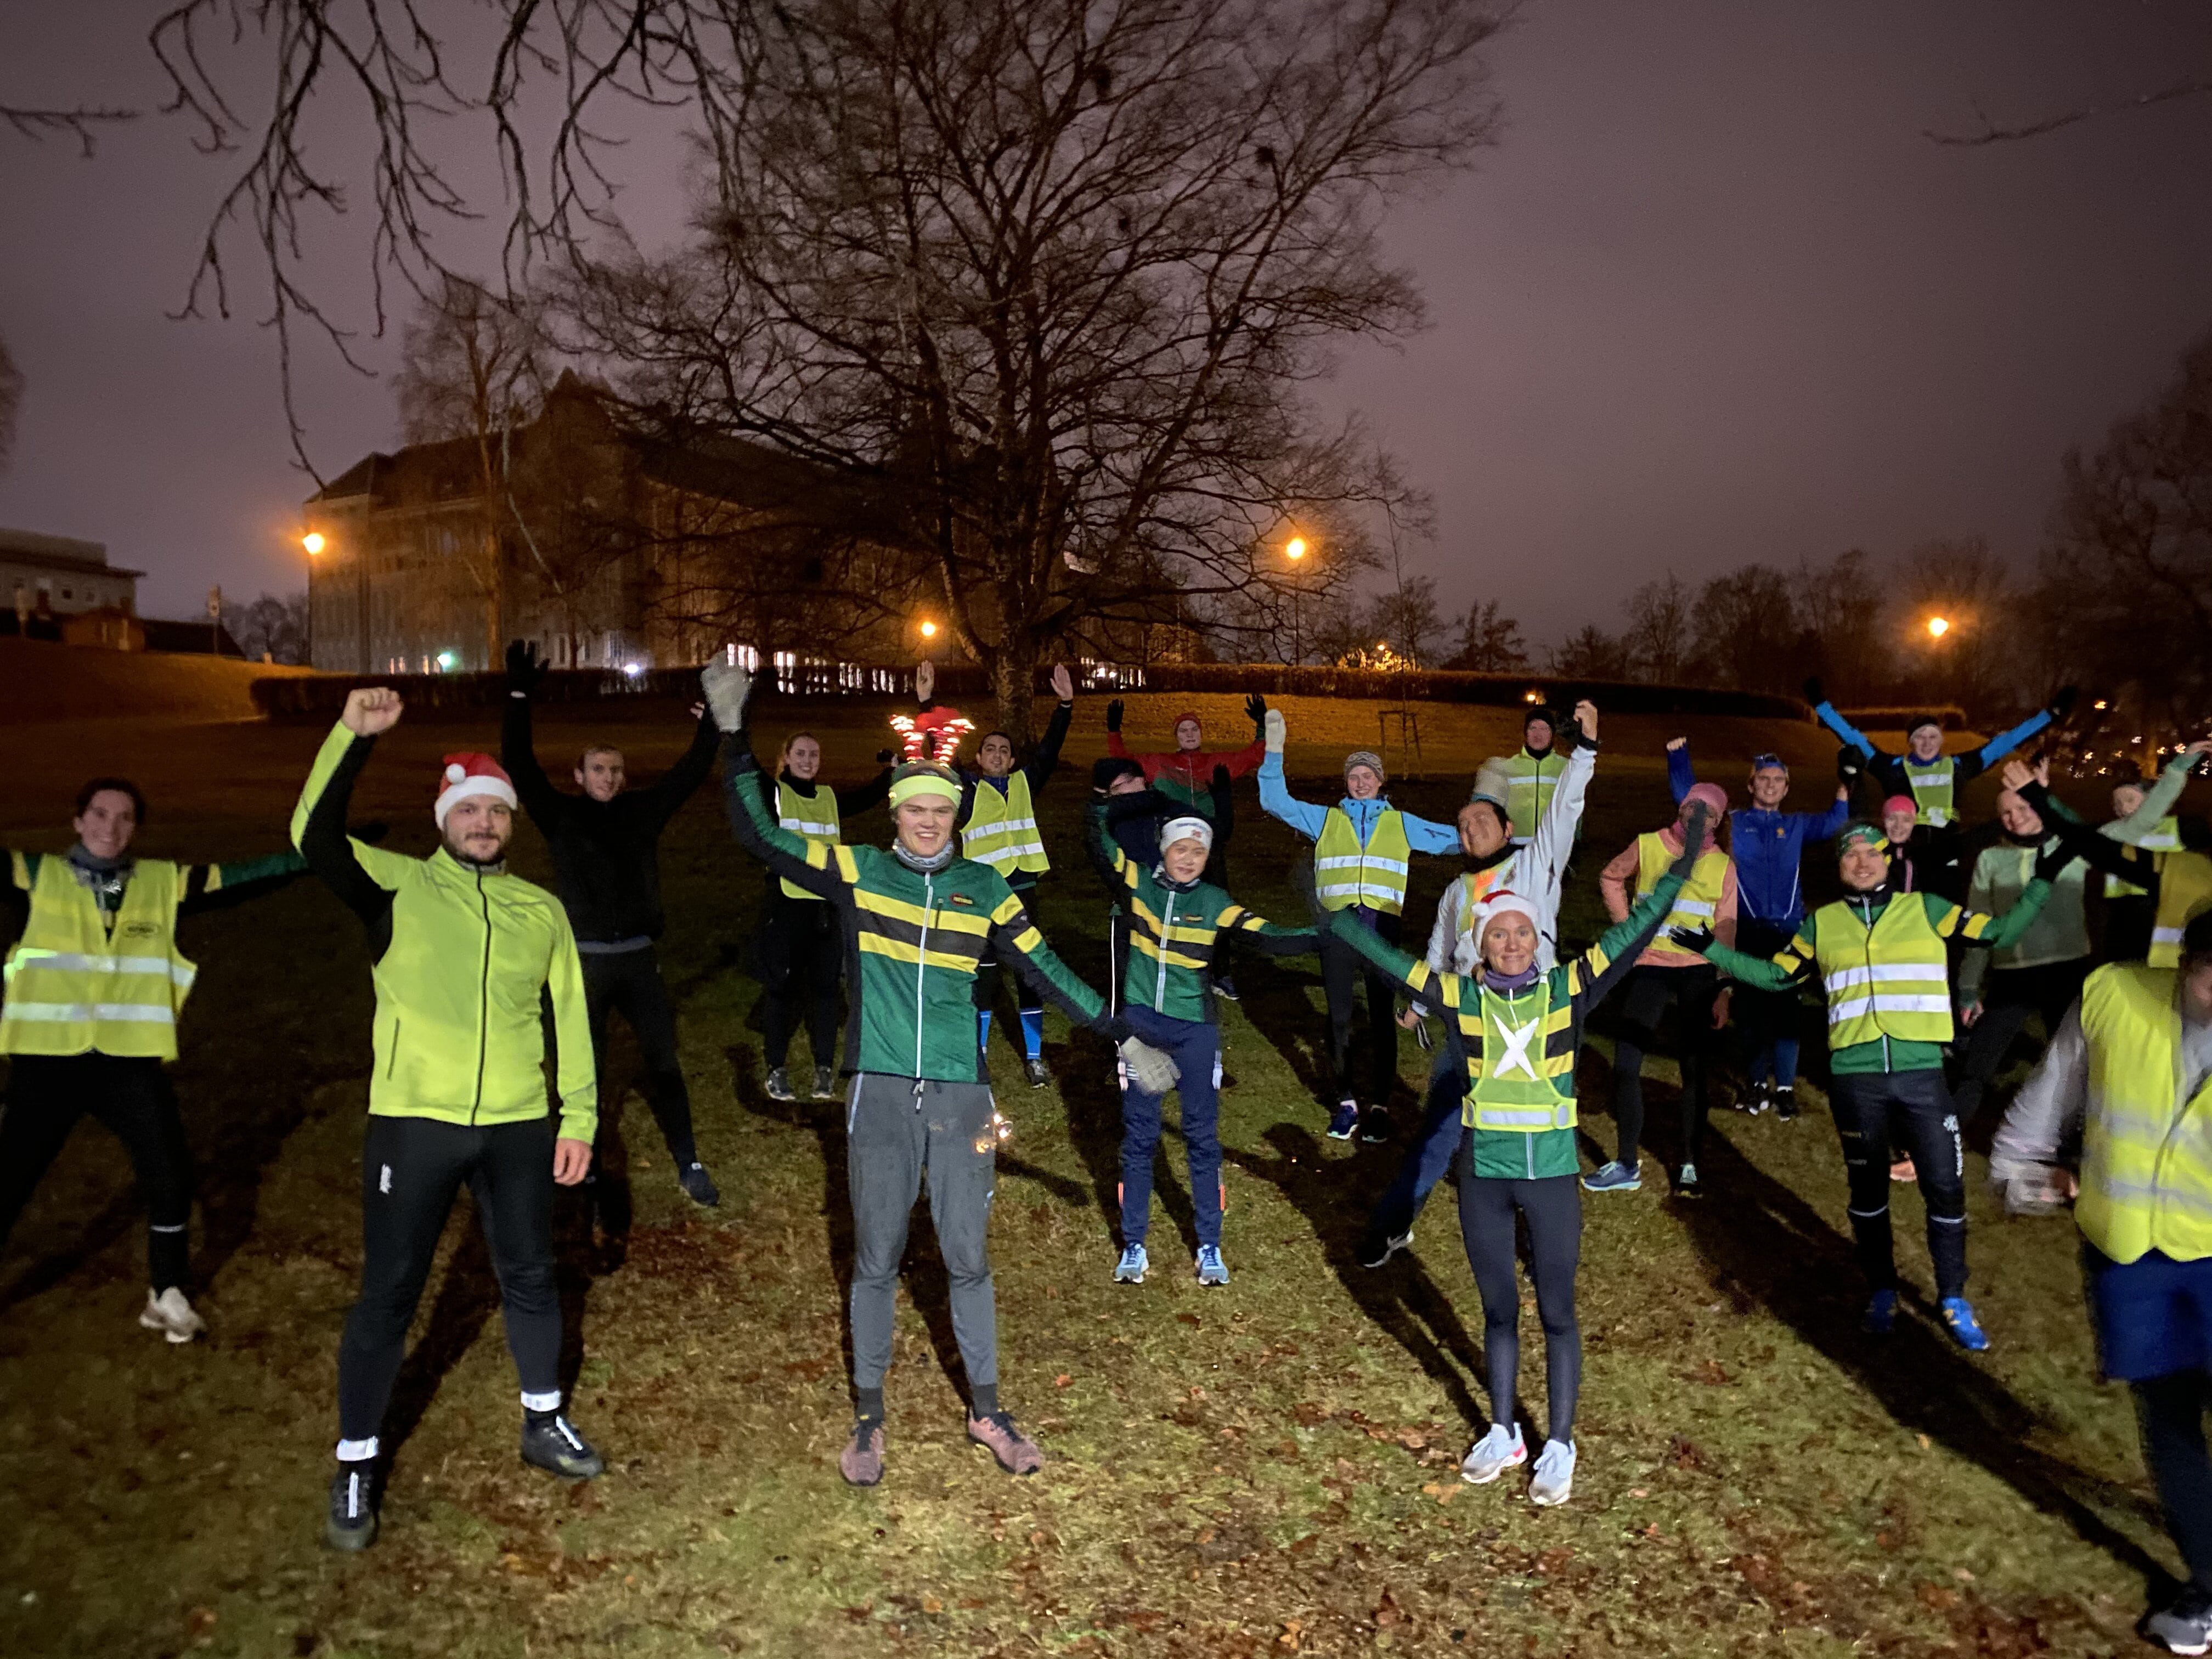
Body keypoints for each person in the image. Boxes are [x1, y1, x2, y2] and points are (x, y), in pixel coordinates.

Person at [710, 661, 1175, 1487]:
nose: (929, 822)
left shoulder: (985, 887)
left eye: (941, 810)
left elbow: (1044, 970)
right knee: (878, 1257)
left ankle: (987, 1409)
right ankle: (869, 1418)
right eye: (916, 809)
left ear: (957, 815)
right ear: (897, 813)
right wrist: (732, 736)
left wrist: (1118, 1036)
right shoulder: (858, 871)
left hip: (962, 1092)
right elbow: (761, 836)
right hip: (880, 1088)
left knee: (967, 1256)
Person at [1318, 802, 1716, 1508]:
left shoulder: (1570, 989)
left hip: (1554, 1181)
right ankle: (1505, 1431)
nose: (1509, 942)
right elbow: (1391, 962)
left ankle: (1559, 1442)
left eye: (1521, 932)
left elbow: (1636, 929)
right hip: (1485, 1181)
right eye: (1497, 933)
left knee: (1557, 1312)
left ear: (1538, 939)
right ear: (1479, 944)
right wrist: (1338, 917)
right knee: (1499, 1310)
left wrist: (1683, 866)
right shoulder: (1458, 999)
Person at [296, 687, 605, 1552]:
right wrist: (350, 739)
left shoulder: (538, 911)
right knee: (391, 1294)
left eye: (495, 812)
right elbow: (312, 838)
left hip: (517, 1125)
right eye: (467, 809)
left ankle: (543, 1422)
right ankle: (357, 1459)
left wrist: (575, 1119)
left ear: (510, 824)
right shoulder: (394, 886)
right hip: (414, 1123)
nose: (482, 823)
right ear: (443, 819)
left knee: (533, 1275)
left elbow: (571, 1020)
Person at [1674, 821, 2068, 1349]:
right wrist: (1714, 951)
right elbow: (1775, 977)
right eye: (1849, 856)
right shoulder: (1822, 924)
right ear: (1838, 867)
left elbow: (1999, 934)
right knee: (1866, 1194)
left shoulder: (1925, 908)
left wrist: (2040, 882)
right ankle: (1881, 1289)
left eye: (1871, 853)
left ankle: (1952, 1297)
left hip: (1923, 1076)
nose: (1862, 862)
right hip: (1856, 1080)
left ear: (1889, 858)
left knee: (1945, 1188)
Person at [1, 778, 306, 1344]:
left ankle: (166, 1294)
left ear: (136, 827)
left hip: (127, 1063)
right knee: (11, 1181)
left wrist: (320, 855)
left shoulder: (163, 883)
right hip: (48, 1062)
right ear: (77, 820)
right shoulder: (32, 875)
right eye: (99, 813)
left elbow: (244, 876)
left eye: (124, 817)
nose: (109, 827)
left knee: (170, 1174)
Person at [1987, 909, 2212, 1656]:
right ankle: (2209, 1586)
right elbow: (2054, 1092)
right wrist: (2021, 1171)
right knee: (2171, 1425)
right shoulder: (2115, 996)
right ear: (2189, 965)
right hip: (2135, 1261)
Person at [1357, 700, 1600, 1267]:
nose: (1470, 830)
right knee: (1441, 1127)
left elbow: (1565, 810)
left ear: (1508, 827)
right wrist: (1418, 1004)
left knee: (1533, 1141)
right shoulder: (1454, 894)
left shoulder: (1533, 868)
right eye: (1463, 826)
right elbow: (1440, 954)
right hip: (1470, 1028)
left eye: (1482, 821)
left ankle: (1545, 1238)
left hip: (1533, 1031)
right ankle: (1394, 1224)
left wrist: (1584, 752)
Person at [502, 642, 721, 1205]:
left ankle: (690, 1160)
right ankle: (585, 1164)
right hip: (583, 964)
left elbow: (688, 775)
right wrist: (520, 694)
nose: (609, 776)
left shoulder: (641, 811)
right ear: (579, 775)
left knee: (663, 1063)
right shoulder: (561, 816)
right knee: (583, 1072)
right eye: (598, 769)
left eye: (616, 769)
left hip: (638, 958)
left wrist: (714, 727)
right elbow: (520, 764)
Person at [1082, 803, 1315, 1286]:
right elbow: (1098, 839)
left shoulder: (1213, 900)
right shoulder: (1139, 882)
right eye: (1180, 849)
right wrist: (1110, 806)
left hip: (1194, 1029)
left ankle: (1209, 1246)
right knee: (1141, 1138)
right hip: (1143, 1024)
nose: (1188, 859)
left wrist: (1321, 936)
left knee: (1202, 1140)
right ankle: (1134, 1246)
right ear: (1164, 851)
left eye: (1198, 852)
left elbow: (1265, 934)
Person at [1257, 708, 1460, 1142]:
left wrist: (1507, 835)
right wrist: (1273, 749)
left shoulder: (1401, 822)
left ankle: (1381, 1107)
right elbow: (1275, 802)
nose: (1362, 781)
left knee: (1383, 1020)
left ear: (1381, 781)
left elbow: (1456, 838)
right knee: (1340, 1018)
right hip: (1338, 932)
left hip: (1383, 932)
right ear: (1347, 782)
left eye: (1369, 774)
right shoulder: (1326, 819)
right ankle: (1346, 1102)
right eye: (1355, 775)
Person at [1949, 761, 2145, 1127]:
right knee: (1978, 1063)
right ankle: (1946, 1137)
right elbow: (1980, 927)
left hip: (2066, 971)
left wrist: (2046, 797)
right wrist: (1968, 988)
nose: (2015, 817)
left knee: (2080, 1062)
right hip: (2012, 976)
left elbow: (2101, 833)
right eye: (2006, 812)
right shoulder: (1991, 859)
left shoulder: (2071, 847)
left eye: (2023, 807)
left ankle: (2081, 1139)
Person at [1666, 740, 1851, 1120]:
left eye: (1778, 780)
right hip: (1746, 928)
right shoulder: (1734, 821)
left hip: (1788, 932)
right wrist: (1678, 757)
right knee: (1750, 1011)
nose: (1770, 785)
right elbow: (1690, 802)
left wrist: (1848, 779)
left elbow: (1836, 820)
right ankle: (1756, 1083)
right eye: (1763, 779)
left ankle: (1784, 1088)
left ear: (1786, 789)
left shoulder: (1796, 825)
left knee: (1787, 1014)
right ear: (1751, 786)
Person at [914, 658, 1076, 1086]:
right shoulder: (966, 787)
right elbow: (940, 754)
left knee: (1029, 973)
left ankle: (1035, 1056)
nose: (999, 755)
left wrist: (1065, 706)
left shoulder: (1026, 782)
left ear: (1012, 758)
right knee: (983, 977)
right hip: (982, 896)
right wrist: (927, 702)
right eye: (991, 749)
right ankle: (979, 1054)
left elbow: (1050, 750)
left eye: (1005, 750)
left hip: (1022, 892)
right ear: (981, 758)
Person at [1587, 783, 1737, 1198]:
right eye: (1693, 807)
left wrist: (1724, 988)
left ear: (1718, 822)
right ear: (1681, 806)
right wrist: (1629, 929)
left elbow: (1727, 927)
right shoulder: (1649, 844)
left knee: (1693, 1069)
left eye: (1709, 814)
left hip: (1698, 972)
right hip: (1650, 966)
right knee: (1626, 1064)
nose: (1698, 817)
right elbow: (1611, 877)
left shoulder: (1723, 865)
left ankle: (1690, 1163)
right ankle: (1626, 1163)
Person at [1806, 679, 2076, 900]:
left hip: (1947, 856)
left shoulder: (1959, 766)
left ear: (1941, 739)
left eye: (1933, 736)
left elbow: (2008, 740)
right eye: (1919, 737)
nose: (1927, 742)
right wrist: (1822, 707)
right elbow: (1853, 736)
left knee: (1945, 925)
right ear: (1910, 742)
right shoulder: (1891, 766)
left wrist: (2049, 716)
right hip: (1905, 857)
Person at [755, 729, 893, 1102]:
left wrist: (890, 774)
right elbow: (749, 774)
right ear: (786, 757)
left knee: (826, 991)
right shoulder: (775, 795)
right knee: (782, 989)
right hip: (788, 903)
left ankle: (822, 1070)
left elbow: (863, 799)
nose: (807, 760)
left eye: (814, 754)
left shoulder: (829, 797)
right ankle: (777, 1069)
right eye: (800, 753)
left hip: (827, 907)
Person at [1103, 694, 1269, 998]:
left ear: (1201, 734)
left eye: (1194, 730)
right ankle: (1167, 968)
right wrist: (1114, 729)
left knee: (1217, 909)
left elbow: (1256, 755)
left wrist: (1261, 726)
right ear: (1176, 736)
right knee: (1168, 909)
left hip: (1210, 850)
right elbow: (1123, 762)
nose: (1190, 734)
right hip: (1171, 851)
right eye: (1184, 730)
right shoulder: (1161, 764)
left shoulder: (1216, 764)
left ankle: (1221, 974)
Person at [1092, 757, 1234, 1015]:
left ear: (1139, 779)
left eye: (1119, 785)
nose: (1116, 795)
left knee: (1179, 980)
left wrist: (1223, 795)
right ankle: (1126, 1047)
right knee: (1128, 984)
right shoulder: (1110, 818)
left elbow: (1217, 831)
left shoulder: (1169, 808)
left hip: (1176, 909)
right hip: (1133, 910)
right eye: (1110, 791)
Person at [2090, 746, 2204, 962]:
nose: (2123, 808)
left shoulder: (2180, 828)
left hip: (2172, 912)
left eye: (2130, 800)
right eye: (2117, 803)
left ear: (2150, 798)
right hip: (2125, 916)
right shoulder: (2111, 832)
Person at [1491, 703, 1570, 849]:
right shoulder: (1508, 767)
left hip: (1553, 848)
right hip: (1514, 848)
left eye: (1544, 729)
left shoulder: (1566, 767)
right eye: (1533, 728)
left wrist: (1575, 840)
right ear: (1525, 733)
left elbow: (1574, 806)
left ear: (1552, 734)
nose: (1538, 734)